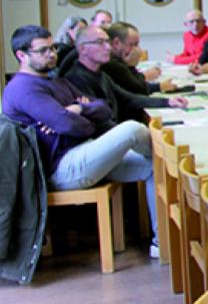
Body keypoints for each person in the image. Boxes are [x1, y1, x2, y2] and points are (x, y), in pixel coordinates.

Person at [3, 25, 162, 256]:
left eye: (53, 48)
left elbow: (103, 109)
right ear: (21, 55)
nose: (52, 54)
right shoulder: (23, 88)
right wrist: (74, 117)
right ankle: (166, 156)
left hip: (83, 152)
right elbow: (69, 125)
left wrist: (77, 108)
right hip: (61, 169)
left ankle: (160, 244)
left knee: (153, 166)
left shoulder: (54, 80)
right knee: (132, 130)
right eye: (43, 50)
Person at [64, 26, 187, 123]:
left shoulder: (100, 74)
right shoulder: (76, 78)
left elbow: (129, 98)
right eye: (100, 42)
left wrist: (167, 102)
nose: (108, 47)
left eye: (108, 42)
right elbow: (98, 121)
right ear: (82, 49)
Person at [103, 22, 163, 96]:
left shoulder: (117, 60)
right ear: (116, 43)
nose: (137, 49)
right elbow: (140, 91)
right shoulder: (113, 64)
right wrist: (131, 65)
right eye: (133, 44)